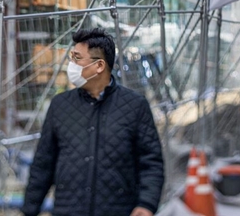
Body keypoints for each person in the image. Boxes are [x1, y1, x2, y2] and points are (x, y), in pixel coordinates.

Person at [21, 28, 165, 216]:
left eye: (77, 58)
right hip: (69, 210)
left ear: (99, 66)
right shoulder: (60, 106)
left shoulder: (135, 106)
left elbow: (151, 162)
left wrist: (146, 204)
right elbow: (43, 164)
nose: (71, 64)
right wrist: (28, 210)